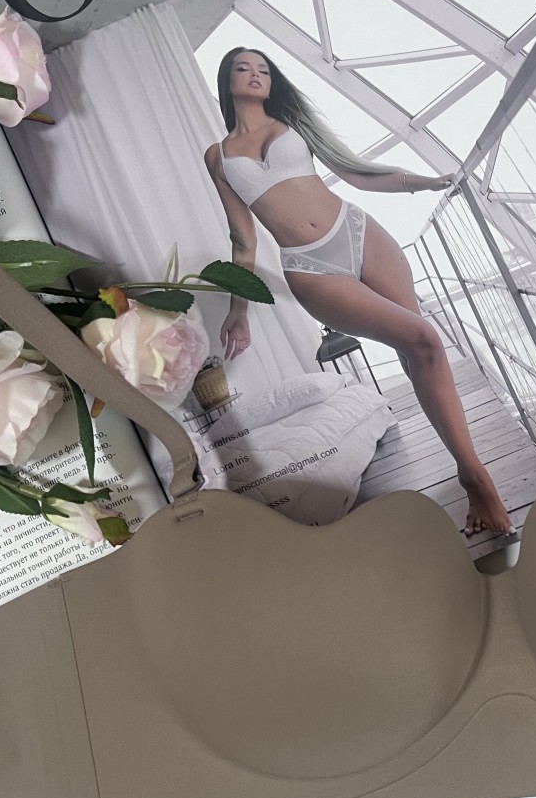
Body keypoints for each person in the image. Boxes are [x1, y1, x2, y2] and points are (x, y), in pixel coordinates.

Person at [204, 47, 513, 539]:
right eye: (244, 68)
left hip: (358, 230)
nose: (256, 75)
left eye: (264, 69)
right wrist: (237, 310)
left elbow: (355, 172)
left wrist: (422, 182)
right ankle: (476, 477)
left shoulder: (291, 123)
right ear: (227, 80)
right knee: (423, 339)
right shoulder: (218, 157)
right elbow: (243, 240)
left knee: (420, 351)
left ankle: (468, 466)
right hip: (309, 266)